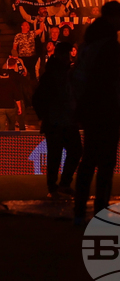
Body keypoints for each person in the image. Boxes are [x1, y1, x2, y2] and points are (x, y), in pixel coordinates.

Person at [73, 0, 120, 225]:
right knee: (105, 163)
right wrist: (114, 109)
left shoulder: (90, 42)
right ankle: (100, 211)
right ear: (112, 18)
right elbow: (109, 82)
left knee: (88, 160)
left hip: (90, 109)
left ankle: (80, 210)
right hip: (104, 110)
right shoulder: (110, 45)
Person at [32, 42, 81, 197]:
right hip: (56, 120)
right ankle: (56, 186)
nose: (68, 57)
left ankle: (59, 186)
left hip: (64, 120)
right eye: (66, 54)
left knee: (70, 152)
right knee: (58, 154)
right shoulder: (53, 75)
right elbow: (37, 98)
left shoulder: (65, 73)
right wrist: (44, 116)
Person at [0, 56, 28, 131]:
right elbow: (26, 86)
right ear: (15, 65)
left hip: (5, 99)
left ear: (7, 64)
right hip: (19, 97)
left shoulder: (3, 76)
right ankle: (22, 134)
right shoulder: (18, 76)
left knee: (5, 123)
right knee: (20, 118)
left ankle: (4, 138)